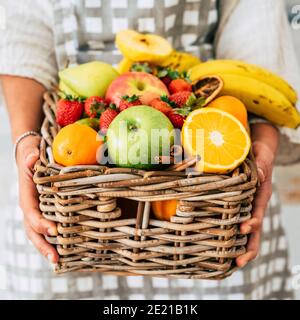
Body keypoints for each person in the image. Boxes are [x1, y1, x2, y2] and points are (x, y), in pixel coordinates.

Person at [1, 0, 300, 299]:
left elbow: (256, 29)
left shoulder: (182, 106)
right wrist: (26, 141)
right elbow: (25, 36)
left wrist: (259, 144)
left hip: (204, 190)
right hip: (72, 195)